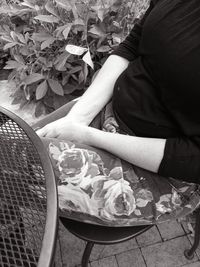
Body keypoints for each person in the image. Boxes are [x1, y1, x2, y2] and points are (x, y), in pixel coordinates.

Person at [34, 0, 200, 225]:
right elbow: (132, 45)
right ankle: (11, 228)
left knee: (10, 163)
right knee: (11, 144)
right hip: (109, 109)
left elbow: (194, 158)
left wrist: (88, 136)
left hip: (160, 173)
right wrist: (78, 116)